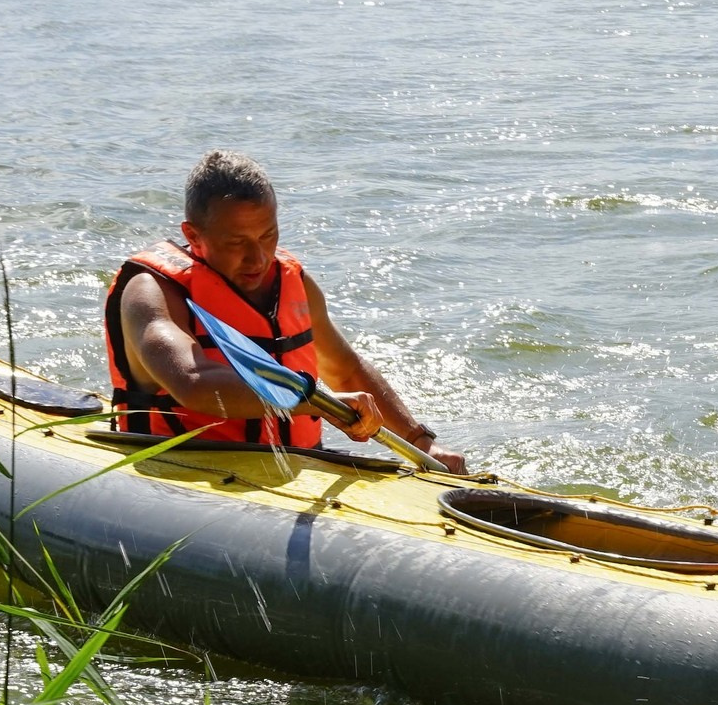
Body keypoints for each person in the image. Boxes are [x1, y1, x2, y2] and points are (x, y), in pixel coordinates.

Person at [103, 150, 465, 473]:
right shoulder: (151, 292)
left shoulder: (293, 283)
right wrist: (312, 402)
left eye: (268, 235)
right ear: (194, 235)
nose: (258, 258)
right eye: (236, 242)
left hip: (293, 461)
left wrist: (420, 441)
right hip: (186, 461)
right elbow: (193, 384)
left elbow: (345, 368)